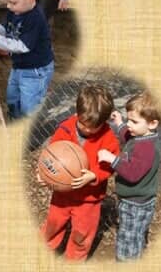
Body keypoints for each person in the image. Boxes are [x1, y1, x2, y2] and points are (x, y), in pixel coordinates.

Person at [37, 85, 120, 260]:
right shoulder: (65, 129)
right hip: (62, 195)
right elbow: (52, 155)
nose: (87, 130)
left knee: (83, 232)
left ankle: (74, 258)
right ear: (77, 113)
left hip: (89, 199)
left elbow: (111, 164)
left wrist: (94, 176)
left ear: (104, 122)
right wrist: (45, 174)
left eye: (93, 127)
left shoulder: (108, 138)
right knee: (53, 224)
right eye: (83, 124)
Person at [97, 92, 161, 261]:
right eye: (128, 119)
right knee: (135, 235)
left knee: (127, 241)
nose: (129, 125)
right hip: (139, 201)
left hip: (135, 204)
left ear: (152, 123)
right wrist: (119, 123)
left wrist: (112, 159)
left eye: (134, 121)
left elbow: (133, 173)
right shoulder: (142, 136)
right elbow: (128, 135)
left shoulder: (146, 148)